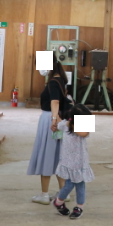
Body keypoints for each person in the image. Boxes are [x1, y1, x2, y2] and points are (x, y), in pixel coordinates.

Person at [26, 60, 71, 204]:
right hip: (58, 119)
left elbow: (55, 102)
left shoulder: (53, 82)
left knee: (47, 154)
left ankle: (44, 194)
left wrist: (53, 119)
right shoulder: (61, 80)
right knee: (58, 155)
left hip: (50, 120)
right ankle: (63, 192)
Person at [52, 104, 94, 219]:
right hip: (68, 161)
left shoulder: (75, 126)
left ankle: (77, 206)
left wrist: (70, 124)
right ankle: (60, 201)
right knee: (70, 184)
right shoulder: (66, 124)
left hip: (80, 161)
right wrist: (55, 124)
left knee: (79, 184)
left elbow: (85, 133)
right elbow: (57, 126)